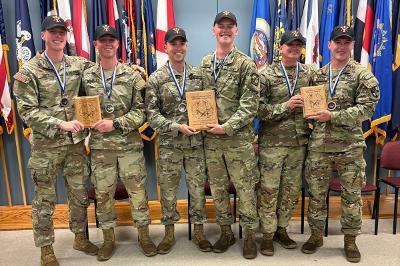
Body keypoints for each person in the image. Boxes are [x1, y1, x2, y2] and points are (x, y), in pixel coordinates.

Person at [13, 16, 98, 266]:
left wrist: (131, 68)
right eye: (53, 32)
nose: (58, 36)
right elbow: (26, 111)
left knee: (79, 194)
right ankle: (46, 249)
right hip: (46, 147)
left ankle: (80, 238)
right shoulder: (29, 71)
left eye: (62, 32)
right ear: (43, 36)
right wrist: (59, 123)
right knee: (44, 200)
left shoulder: (78, 64)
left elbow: (103, 70)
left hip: (74, 145)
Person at [302, 25, 379, 263]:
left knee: (351, 196)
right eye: (338, 42)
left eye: (347, 42)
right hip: (320, 145)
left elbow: (366, 109)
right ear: (329, 44)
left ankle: (350, 241)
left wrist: (333, 116)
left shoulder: (363, 75)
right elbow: (309, 105)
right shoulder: (317, 75)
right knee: (315, 194)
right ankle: (316, 235)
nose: (342, 46)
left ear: (352, 46)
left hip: (350, 147)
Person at [82, 25, 157, 261]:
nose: (107, 44)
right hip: (100, 148)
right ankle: (107, 240)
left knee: (138, 193)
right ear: (95, 44)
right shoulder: (86, 77)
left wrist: (114, 123)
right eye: (102, 40)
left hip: (128, 146)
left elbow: (141, 111)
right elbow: (78, 106)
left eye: (111, 40)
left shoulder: (133, 76)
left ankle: (144, 236)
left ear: (117, 44)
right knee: (103, 195)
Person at [145, 27, 211, 254]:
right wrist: (176, 127)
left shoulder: (199, 76)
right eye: (173, 43)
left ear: (187, 46)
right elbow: (151, 115)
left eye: (182, 43)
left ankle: (199, 232)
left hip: (195, 145)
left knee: (197, 190)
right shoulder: (156, 78)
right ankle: (169, 233)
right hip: (169, 146)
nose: (178, 47)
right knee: (169, 191)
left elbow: (208, 108)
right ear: (166, 48)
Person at [200, 11, 260, 259]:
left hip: (237, 140)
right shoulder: (205, 63)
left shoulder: (246, 64)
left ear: (236, 31)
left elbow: (250, 105)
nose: (225, 30)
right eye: (220, 26)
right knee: (218, 189)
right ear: (213, 30)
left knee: (246, 188)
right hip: (211, 141)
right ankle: (225, 232)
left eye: (230, 26)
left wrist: (227, 126)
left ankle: (248, 236)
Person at [257, 30, 314, 256]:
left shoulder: (309, 74)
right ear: (280, 48)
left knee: (290, 192)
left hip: (299, 143)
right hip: (272, 144)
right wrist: (286, 106)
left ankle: (281, 229)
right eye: (290, 45)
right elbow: (258, 110)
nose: (294, 49)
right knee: (269, 190)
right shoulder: (266, 75)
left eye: (298, 45)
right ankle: (268, 236)